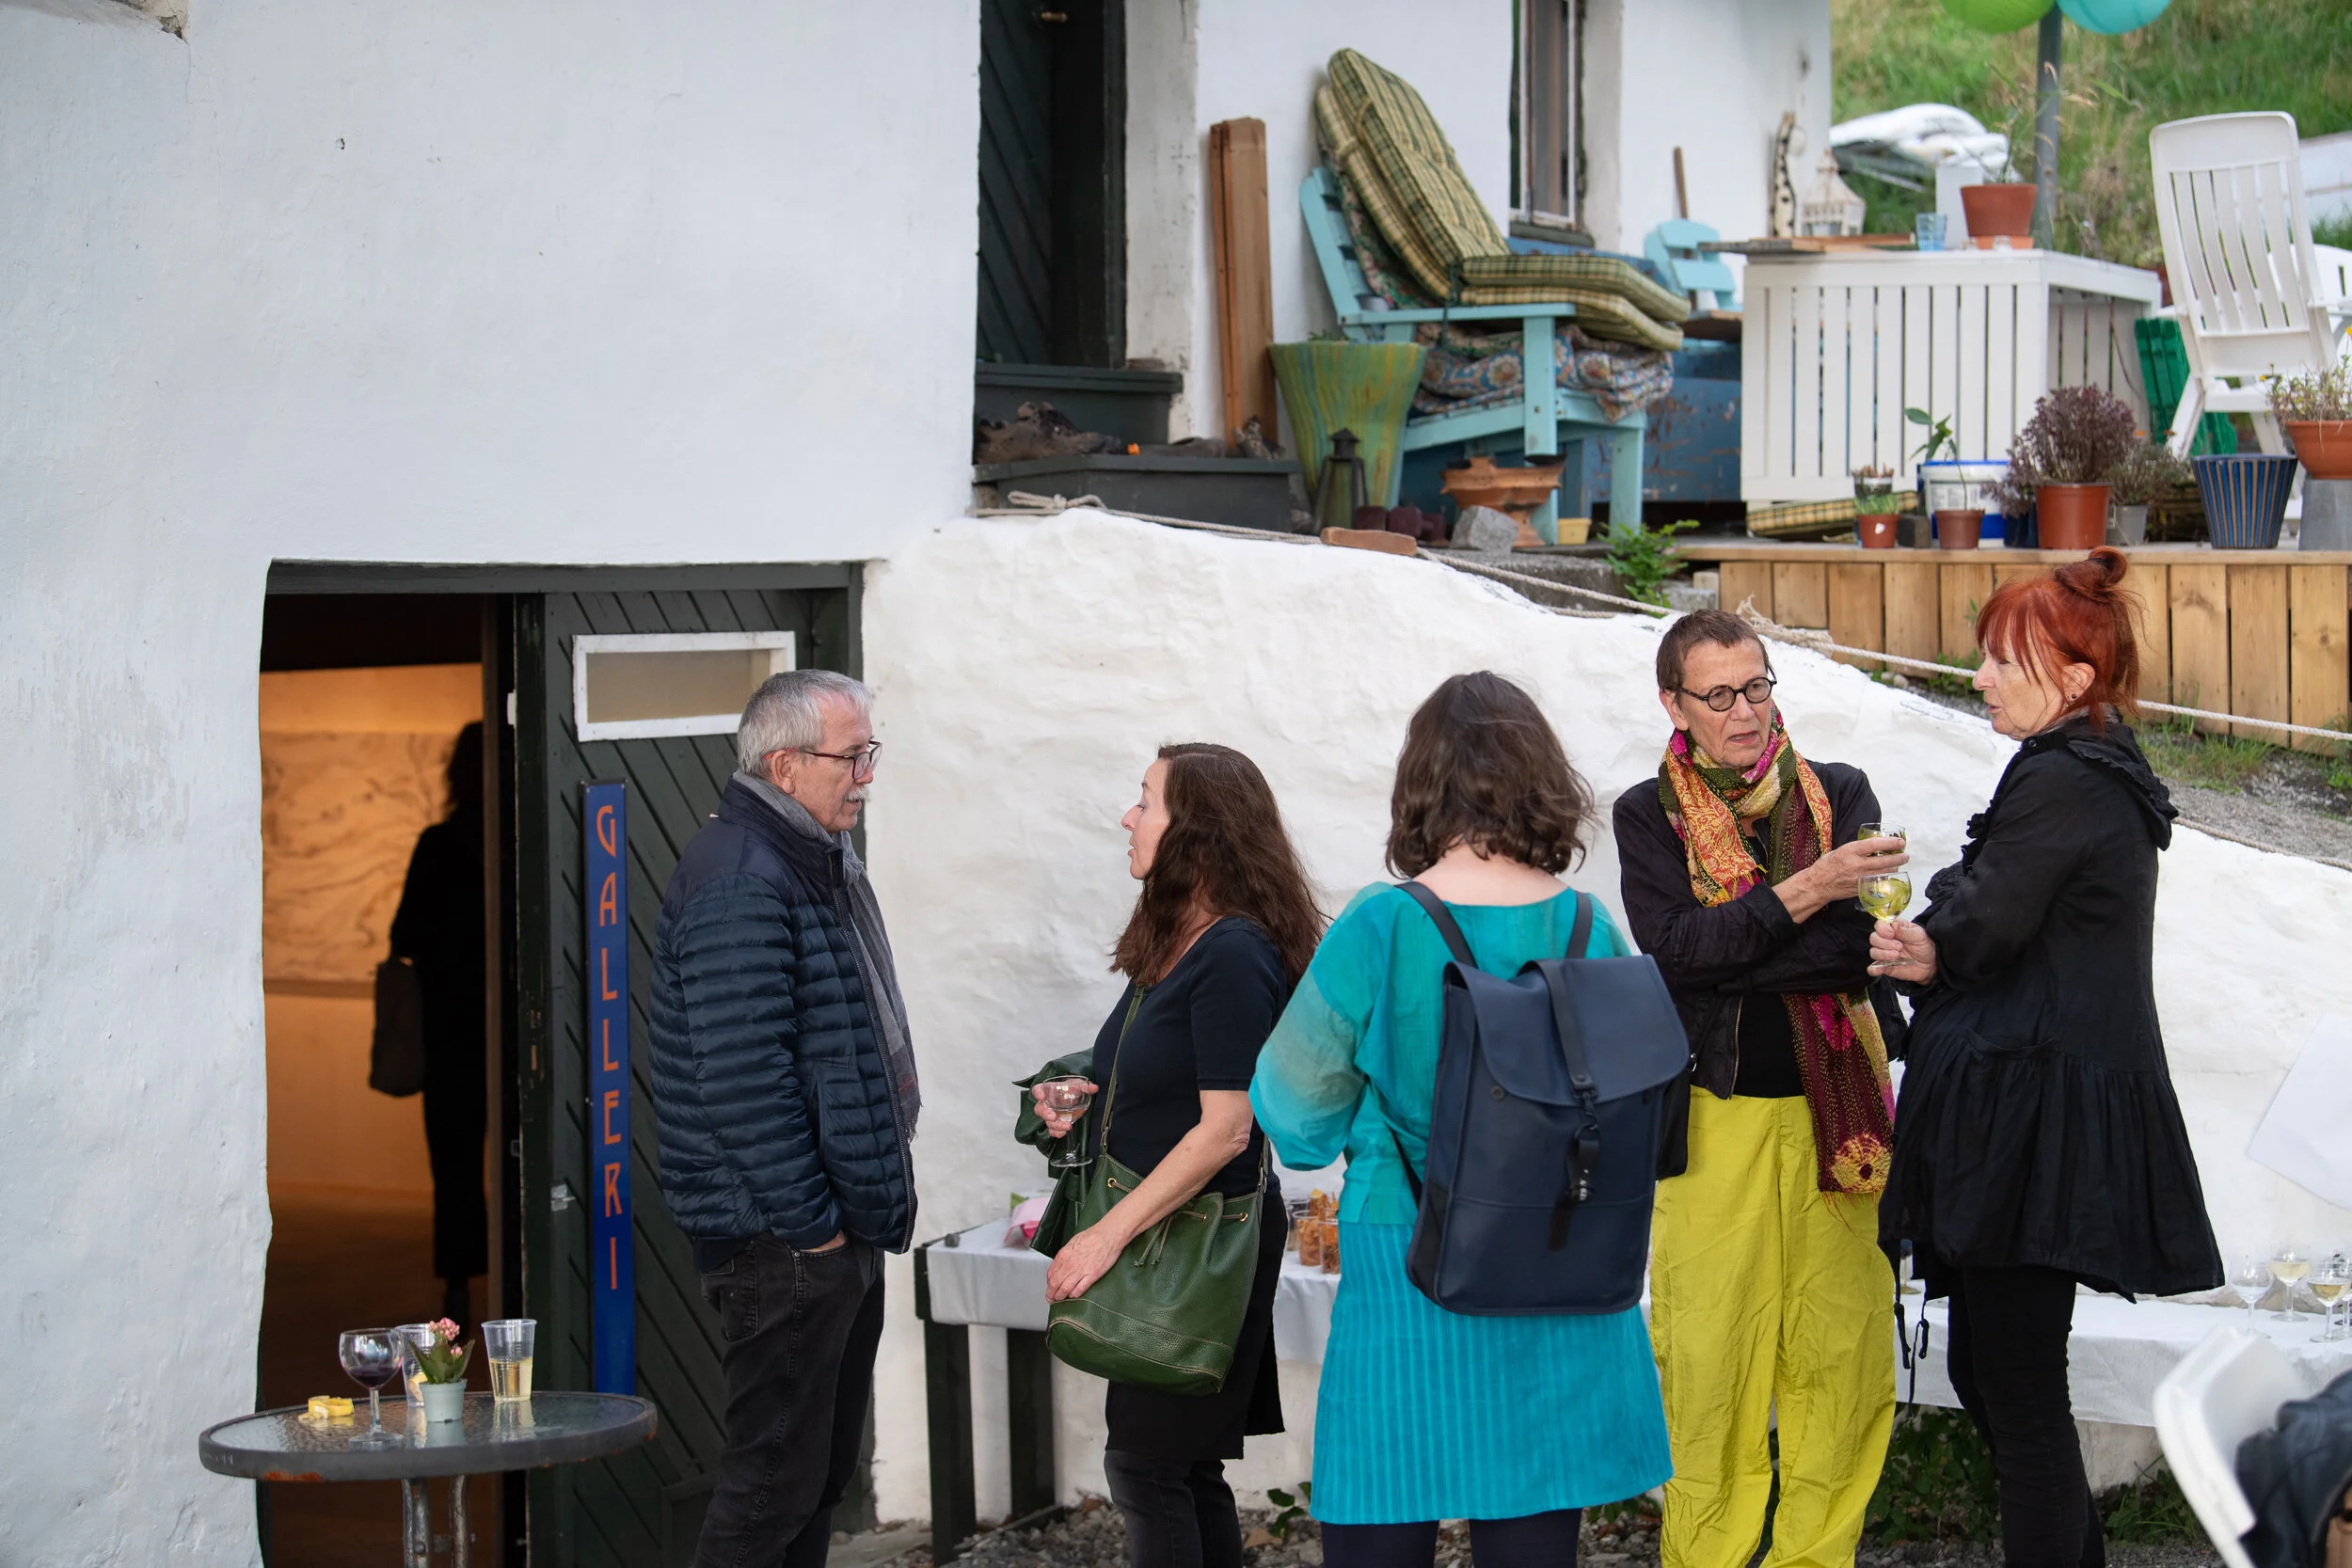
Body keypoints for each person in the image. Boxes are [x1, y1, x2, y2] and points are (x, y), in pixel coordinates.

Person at [1250, 672, 1672, 1568]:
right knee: (1532, 1520)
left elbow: (1295, 1120)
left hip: (1411, 1253)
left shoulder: (1382, 923)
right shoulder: (1589, 925)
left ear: (1422, 782)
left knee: (1383, 1498)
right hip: (1556, 1248)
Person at [1870, 549, 2221, 1568]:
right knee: (1993, 1372)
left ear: (2072, 677)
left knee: (2018, 1390)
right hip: (2029, 1112)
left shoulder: (2068, 776)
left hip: (2033, 1127)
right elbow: (1993, 922)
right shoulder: (2078, 764)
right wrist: (1939, 944)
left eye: (2000, 660)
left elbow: (1987, 921)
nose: (1979, 677)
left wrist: (1937, 941)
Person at [1612, 610, 1908, 1568]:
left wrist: (1737, 945)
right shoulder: (1646, 815)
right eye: (1719, 694)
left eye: (1757, 686)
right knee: (1709, 1359)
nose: (1745, 711)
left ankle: (1815, 1557)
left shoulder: (1841, 792)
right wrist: (1811, 889)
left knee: (1839, 1355)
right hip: (1714, 1118)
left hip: (1839, 1118)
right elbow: (1675, 953)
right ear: (1675, 704)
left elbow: (1856, 950)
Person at [647, 669, 917, 1568]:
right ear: (785, 764)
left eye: (870, 753)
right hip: (784, 1239)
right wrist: (814, 1229)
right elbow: (743, 1079)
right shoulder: (743, 876)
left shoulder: (808, 860)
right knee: (770, 1489)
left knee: (812, 1481)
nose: (866, 776)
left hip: (828, 1228)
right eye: (852, 757)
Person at [1031, 743, 1322, 1568]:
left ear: (1198, 830)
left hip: (1197, 1244)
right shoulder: (1180, 940)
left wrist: (1101, 1236)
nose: (1128, 816)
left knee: (1148, 1468)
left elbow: (1227, 1126)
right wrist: (1080, 1092)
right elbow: (1163, 1077)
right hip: (1170, 1238)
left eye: (1146, 801)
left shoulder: (1233, 952)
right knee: (1181, 1470)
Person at [389, 721, 488, 1330]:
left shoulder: (438, 845)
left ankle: (457, 1290)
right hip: (504, 1035)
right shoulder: (518, 844)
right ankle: (517, 1276)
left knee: (453, 1165)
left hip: (450, 1031)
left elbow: (403, 934)